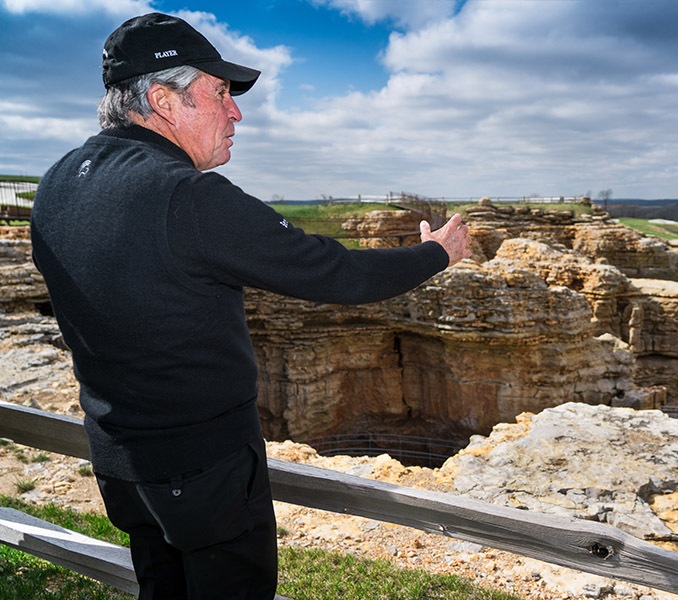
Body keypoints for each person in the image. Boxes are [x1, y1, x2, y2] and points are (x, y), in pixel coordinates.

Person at [30, 12, 471, 600]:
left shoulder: (59, 182)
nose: (236, 112)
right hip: (205, 472)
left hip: (120, 463)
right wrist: (434, 254)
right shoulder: (186, 196)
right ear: (164, 100)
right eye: (220, 94)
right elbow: (334, 272)